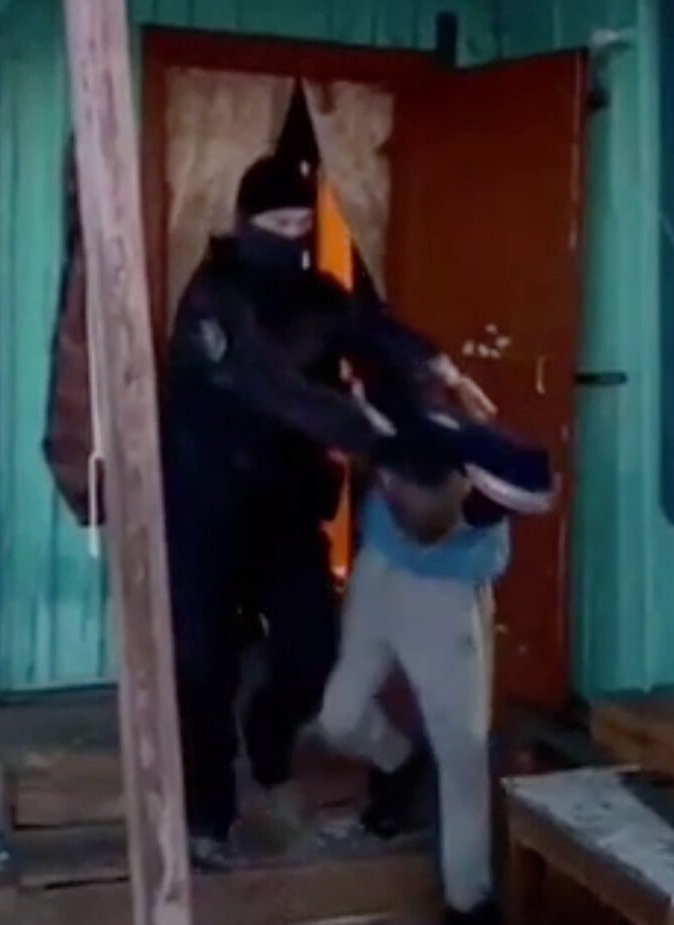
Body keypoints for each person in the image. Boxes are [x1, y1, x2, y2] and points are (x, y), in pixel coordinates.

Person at [161, 152, 536, 869]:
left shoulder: (319, 296)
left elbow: (373, 331)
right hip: (205, 505)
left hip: (285, 505)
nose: (290, 237)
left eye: (300, 224)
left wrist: (440, 369)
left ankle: (268, 742)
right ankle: (208, 815)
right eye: (275, 224)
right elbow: (274, 388)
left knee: (310, 652)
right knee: (201, 664)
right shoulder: (212, 300)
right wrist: (375, 439)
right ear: (245, 223)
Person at [317, 394, 541, 925]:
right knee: (339, 717)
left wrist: (487, 506)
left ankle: (469, 901)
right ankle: (400, 763)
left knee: (461, 752)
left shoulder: (488, 466)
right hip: (379, 573)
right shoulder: (388, 435)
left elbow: (536, 482)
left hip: (445, 596)